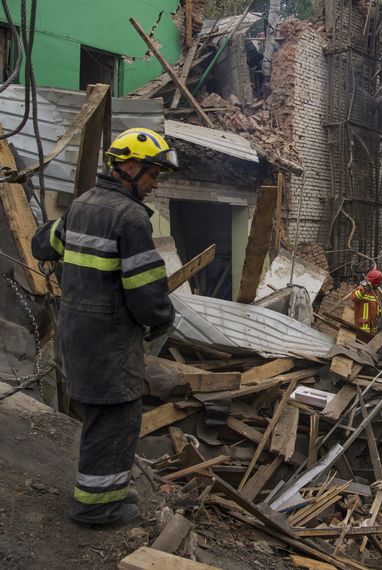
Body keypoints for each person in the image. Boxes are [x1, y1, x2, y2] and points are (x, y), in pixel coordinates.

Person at [31, 127, 178, 526]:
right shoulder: (130, 218)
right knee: (116, 419)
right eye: (152, 174)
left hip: (76, 334)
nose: (154, 184)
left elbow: (43, 245)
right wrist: (163, 319)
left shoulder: (82, 205)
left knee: (100, 417)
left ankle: (106, 492)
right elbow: (146, 294)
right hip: (110, 341)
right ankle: (97, 507)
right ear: (129, 167)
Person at [351, 269, 382, 335]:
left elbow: (378, 306)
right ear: (374, 283)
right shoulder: (361, 289)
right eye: (378, 284)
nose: (379, 286)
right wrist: (365, 290)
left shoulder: (376, 292)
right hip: (363, 327)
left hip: (373, 326)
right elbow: (353, 298)